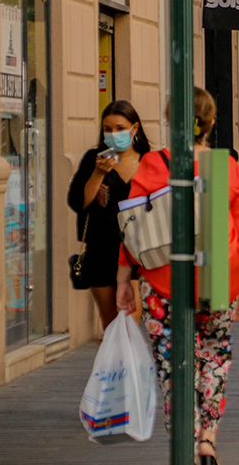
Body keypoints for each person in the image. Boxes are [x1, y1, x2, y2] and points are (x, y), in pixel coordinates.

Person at [117, 87, 239, 464]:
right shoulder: (226, 167)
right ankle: (207, 436)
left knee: (173, 366)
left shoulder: (154, 164)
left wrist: (124, 280)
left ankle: (186, 444)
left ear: (170, 119)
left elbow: (133, 228)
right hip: (215, 279)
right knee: (214, 356)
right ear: (210, 124)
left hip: (163, 284)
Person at [67, 101, 152, 329]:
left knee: (130, 323)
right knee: (112, 325)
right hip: (101, 251)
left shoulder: (149, 160)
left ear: (134, 129)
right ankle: (114, 364)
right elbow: (78, 202)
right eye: (107, 129)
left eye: (120, 128)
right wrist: (97, 174)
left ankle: (130, 363)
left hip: (139, 253)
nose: (113, 134)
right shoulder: (94, 159)